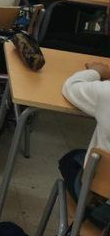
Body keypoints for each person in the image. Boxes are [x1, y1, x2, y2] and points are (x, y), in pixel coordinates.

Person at [59, 61, 110, 228]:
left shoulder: (106, 92)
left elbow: (70, 87)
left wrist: (96, 72)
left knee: (71, 160)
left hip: (103, 211)